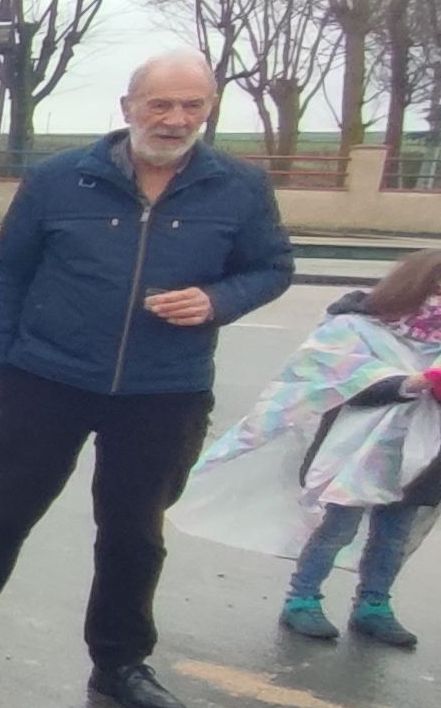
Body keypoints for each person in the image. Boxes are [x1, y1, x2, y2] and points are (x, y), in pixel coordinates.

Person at [0, 51, 296, 708]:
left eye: (193, 105)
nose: (176, 119)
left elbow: (271, 267)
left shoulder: (238, 187)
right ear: (128, 108)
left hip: (164, 389)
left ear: (208, 109)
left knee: (133, 531)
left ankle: (120, 662)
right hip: (46, 378)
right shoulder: (62, 179)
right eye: (161, 104)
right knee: (3, 511)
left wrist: (217, 299)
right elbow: (10, 271)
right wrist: (0, 363)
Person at [169, 250, 441, 650]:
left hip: (421, 460)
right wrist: (408, 382)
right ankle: (304, 597)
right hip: (353, 454)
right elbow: (329, 377)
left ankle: (374, 604)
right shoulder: (357, 325)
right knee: (336, 527)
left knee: (394, 534)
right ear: (415, 285)